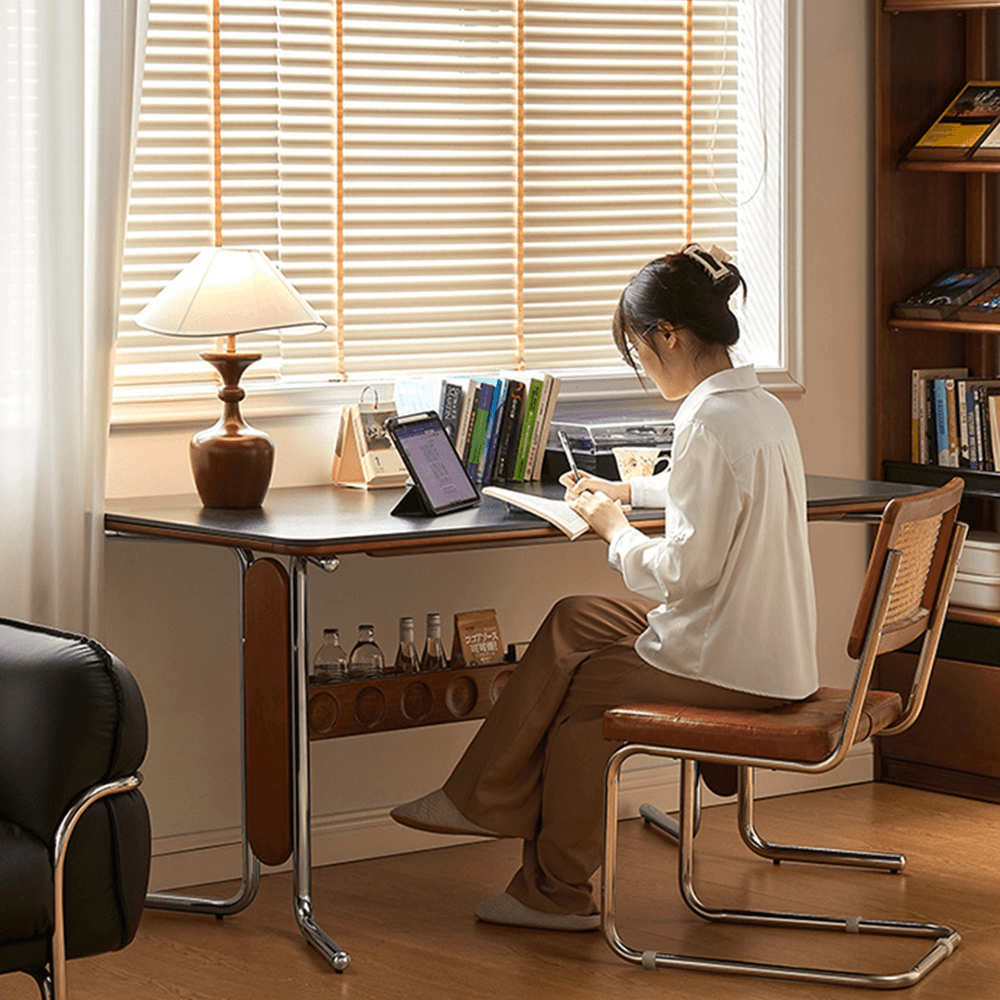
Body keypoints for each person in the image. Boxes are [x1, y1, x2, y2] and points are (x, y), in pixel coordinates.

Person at [390, 244, 818, 932]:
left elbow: (683, 572)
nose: (642, 367)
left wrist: (615, 531)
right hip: (770, 646)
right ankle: (476, 797)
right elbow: (712, 490)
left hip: (729, 660)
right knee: (575, 620)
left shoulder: (706, 422)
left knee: (582, 701)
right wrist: (625, 491)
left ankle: (553, 893)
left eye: (637, 351)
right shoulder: (758, 406)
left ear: (668, 335)